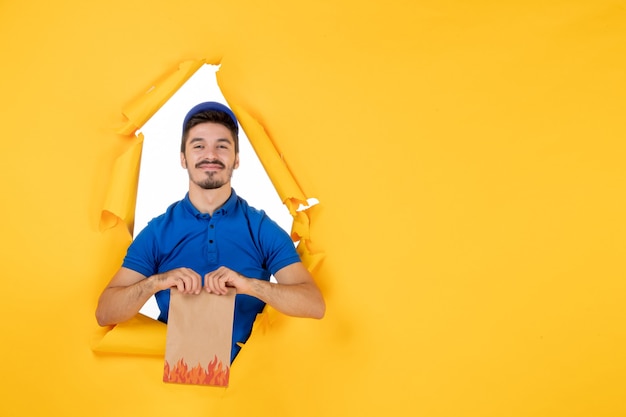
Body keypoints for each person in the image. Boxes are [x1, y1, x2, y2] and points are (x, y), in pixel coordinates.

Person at [96, 101, 325, 362]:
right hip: (173, 386)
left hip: (251, 386)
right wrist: (156, 282)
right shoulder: (158, 232)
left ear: (236, 159)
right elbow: (105, 312)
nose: (211, 155)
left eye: (222, 146)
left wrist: (250, 285)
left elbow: (313, 304)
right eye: (198, 145)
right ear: (183, 158)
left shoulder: (260, 228)